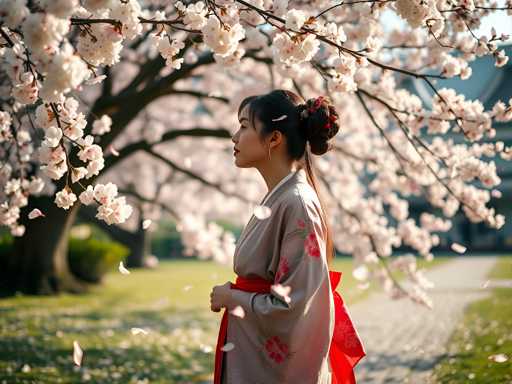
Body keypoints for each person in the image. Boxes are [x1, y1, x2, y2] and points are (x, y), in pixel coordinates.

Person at [209, 89, 366, 383]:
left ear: (274, 138)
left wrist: (233, 298)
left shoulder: (297, 204)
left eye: (244, 126)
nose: (234, 137)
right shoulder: (282, 199)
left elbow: (295, 307)